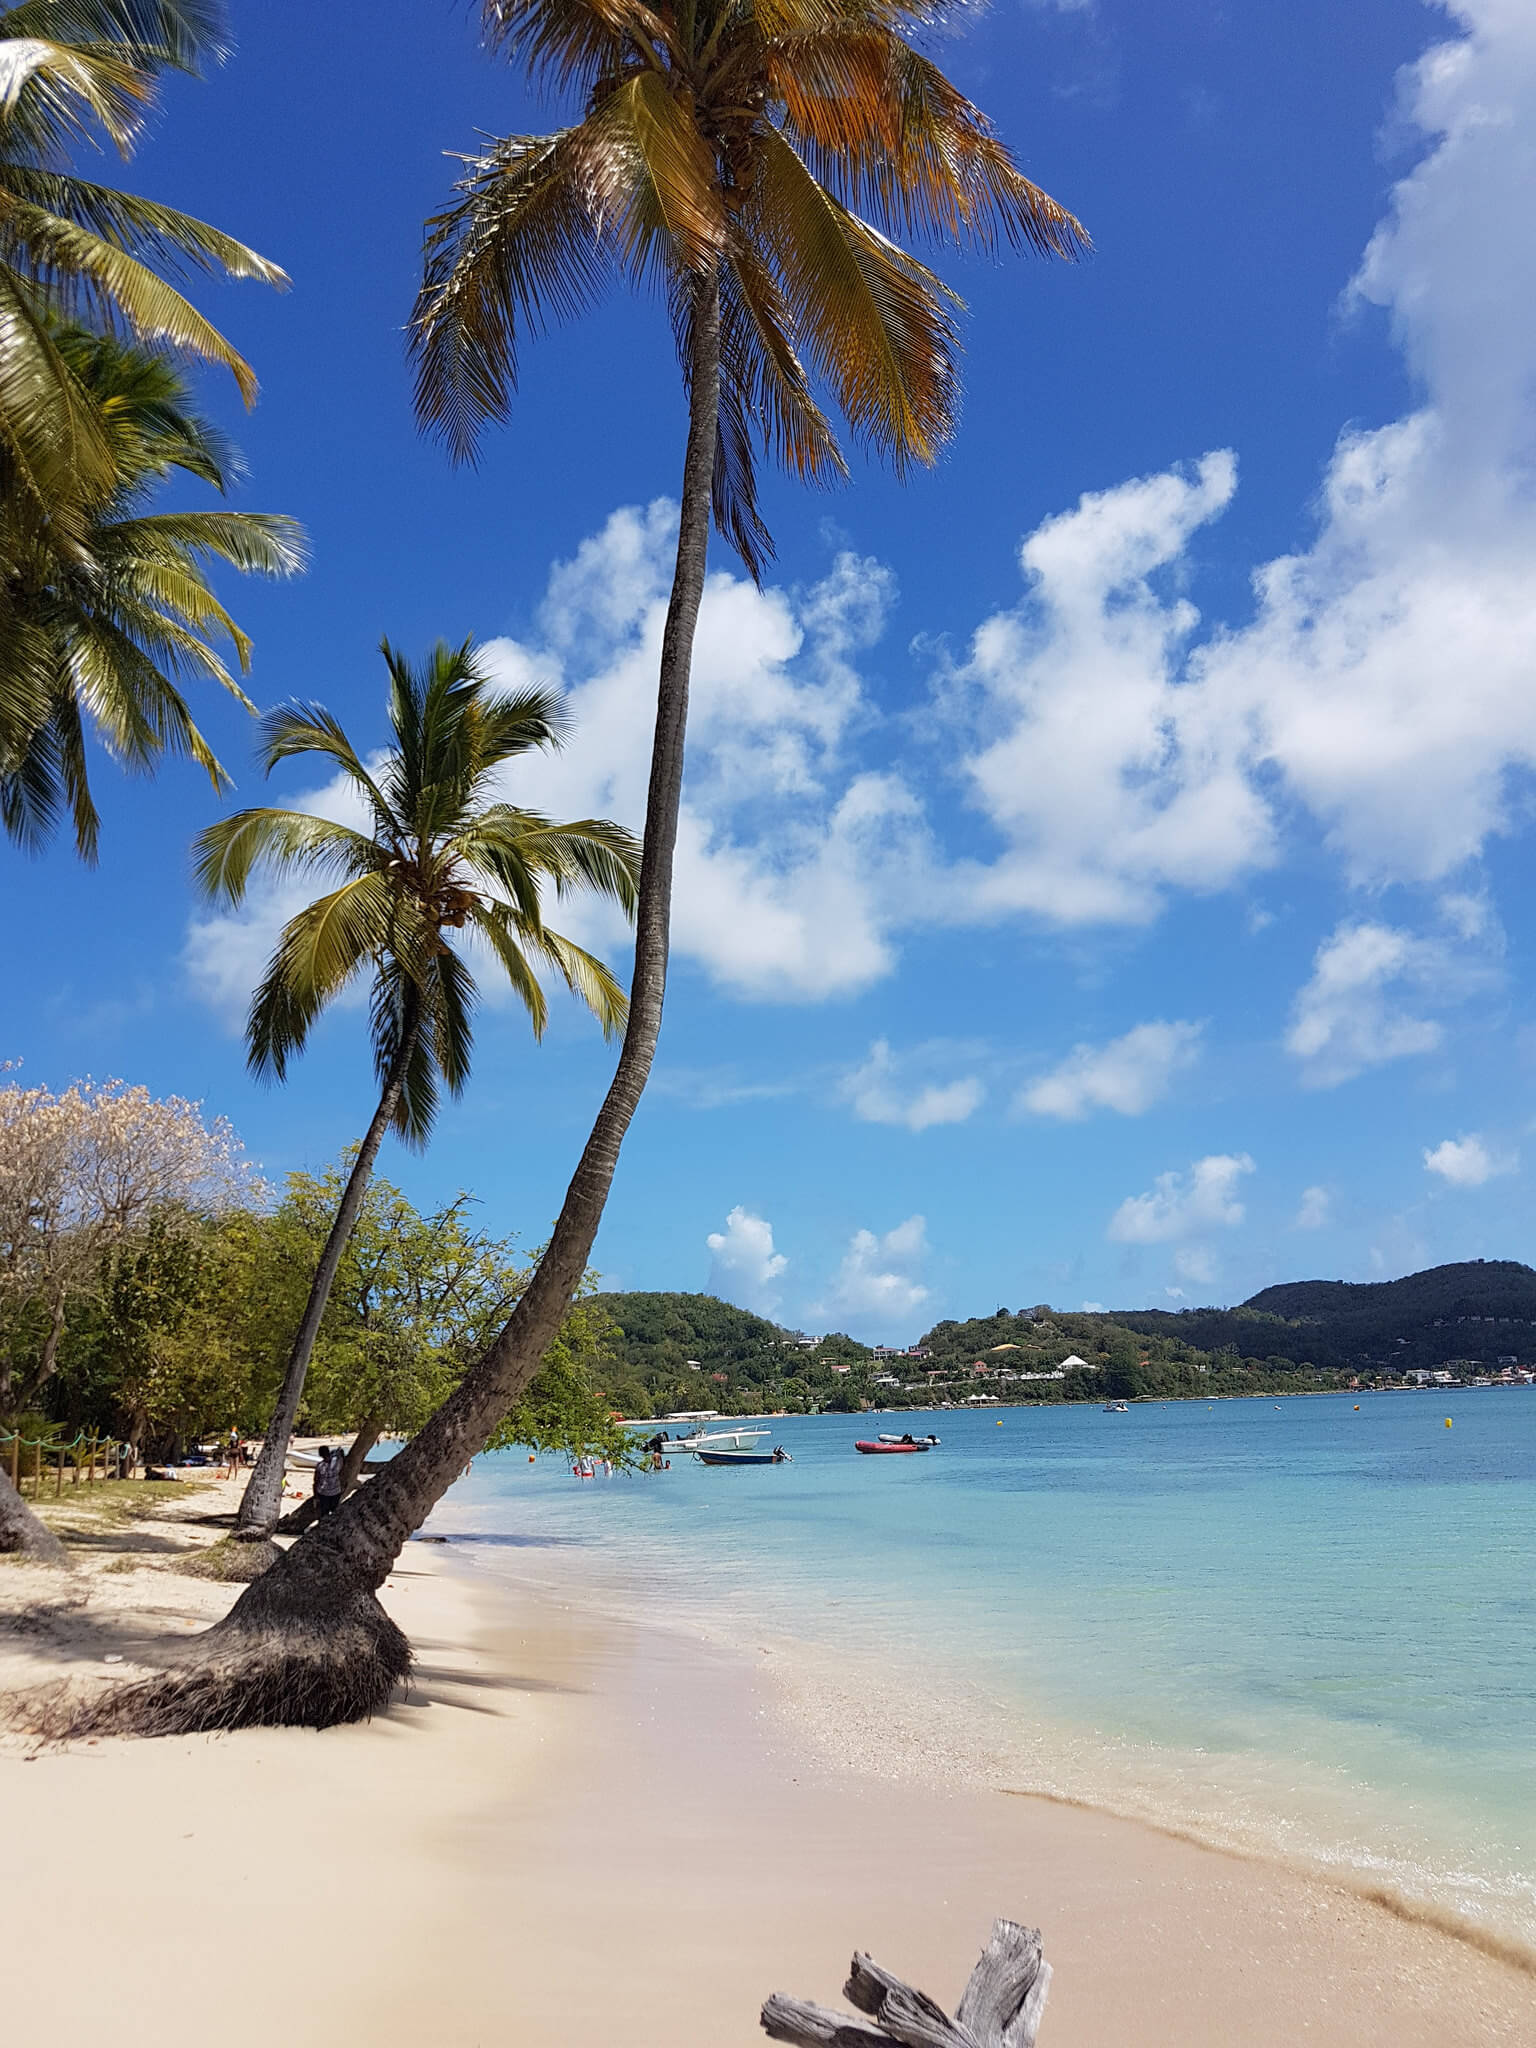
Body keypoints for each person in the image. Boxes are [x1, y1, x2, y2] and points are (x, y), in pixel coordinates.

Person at [313, 1445, 344, 1516]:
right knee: (335, 1512)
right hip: (335, 1491)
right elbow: (342, 1460)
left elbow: (316, 1481)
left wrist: (315, 1496)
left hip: (324, 1493)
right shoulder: (336, 1463)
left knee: (324, 1513)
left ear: (320, 1454)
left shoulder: (320, 1466)